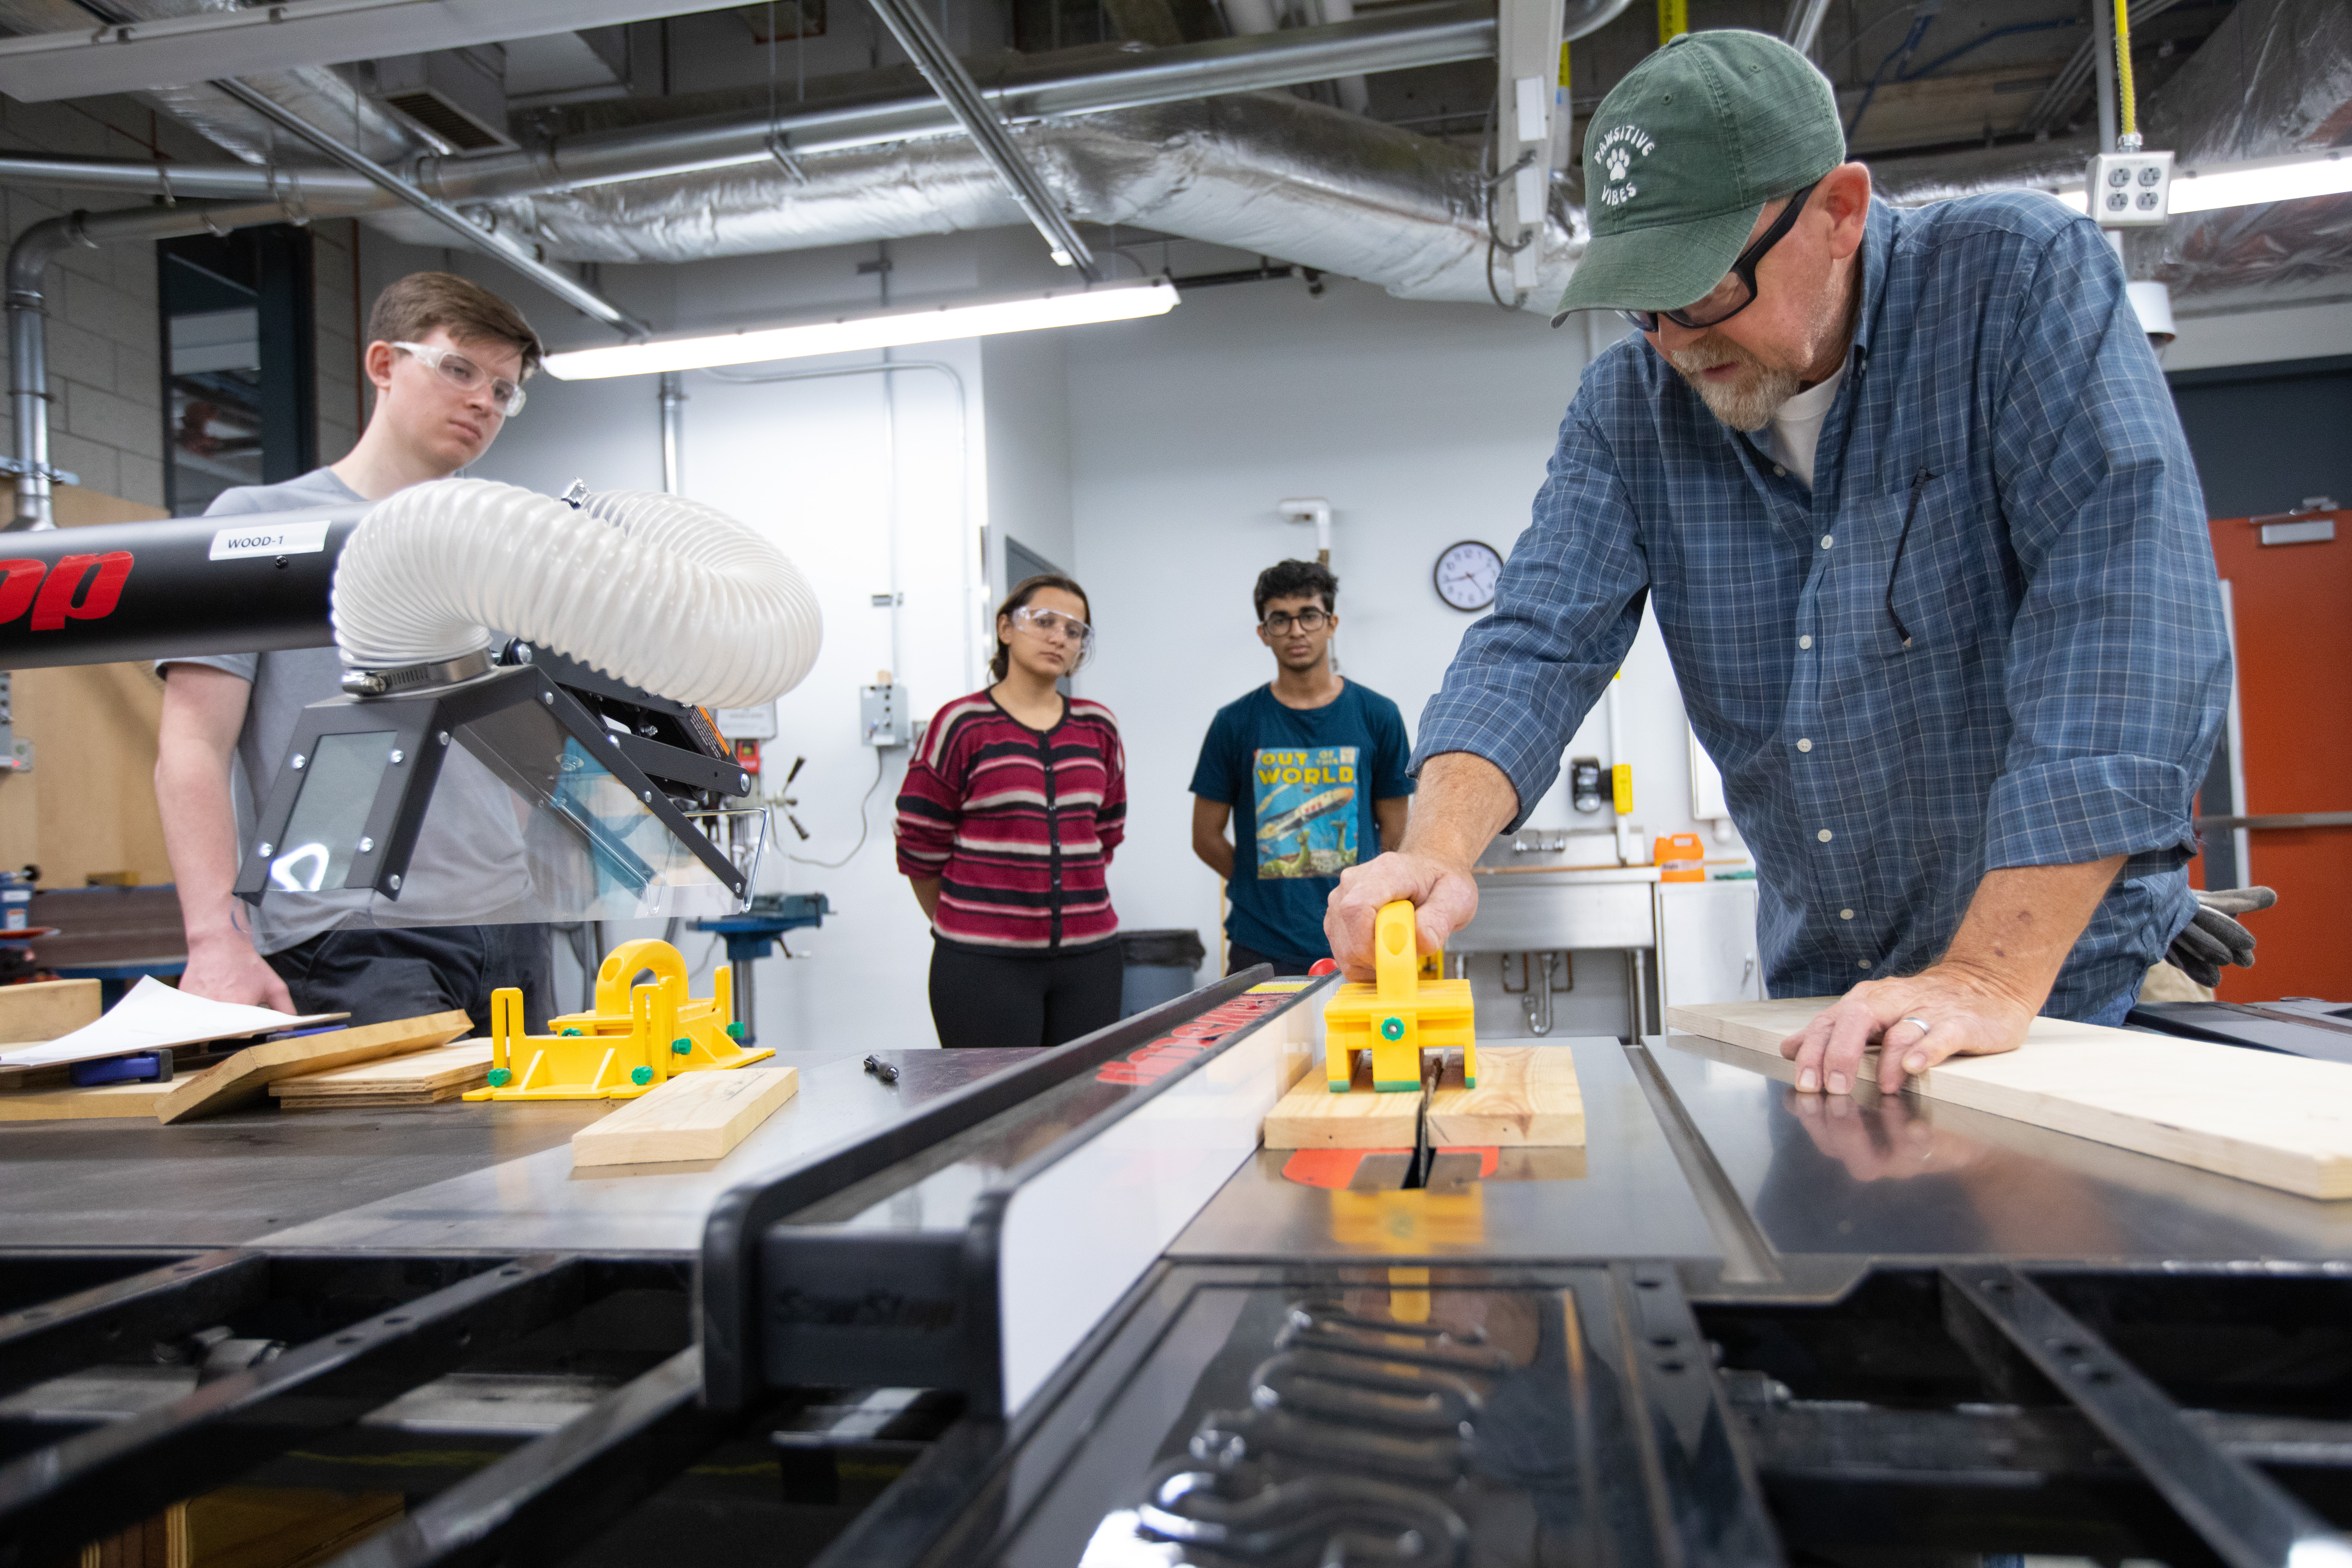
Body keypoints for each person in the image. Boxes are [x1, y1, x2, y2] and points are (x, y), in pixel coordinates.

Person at [1325, 30, 2233, 1100]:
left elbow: (2123, 627)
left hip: (2069, 990)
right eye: (1640, 303)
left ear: (1837, 213)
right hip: (1829, 1006)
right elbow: (1535, 642)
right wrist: (1437, 848)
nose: (1670, 340)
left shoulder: (2013, 286)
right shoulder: (1629, 412)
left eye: (1702, 291)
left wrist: (1985, 974)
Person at [155, 271, 557, 1032]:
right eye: (459, 368)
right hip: (353, 934)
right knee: (402, 1155)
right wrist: (216, 939)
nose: (483, 401)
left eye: (504, 391)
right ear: (382, 364)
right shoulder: (261, 526)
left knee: (534, 1153)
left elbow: (521, 751)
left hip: (509, 926)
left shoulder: (497, 549)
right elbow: (191, 744)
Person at [895, 574, 1129, 1049]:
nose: (1058, 637)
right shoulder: (961, 725)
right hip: (982, 967)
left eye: (1074, 630)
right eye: (1044, 621)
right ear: (1005, 628)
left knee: (1083, 1108)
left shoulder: (1098, 726)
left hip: (1091, 962)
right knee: (994, 1114)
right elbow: (919, 844)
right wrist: (966, 924)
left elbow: (1104, 834)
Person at [1190, 560, 1413, 976]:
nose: (1296, 631)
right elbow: (1205, 837)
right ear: (1263, 633)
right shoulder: (1233, 723)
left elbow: (1396, 831)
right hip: (1260, 942)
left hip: (1359, 934)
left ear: (1331, 623)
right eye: (1280, 619)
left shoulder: (1379, 715)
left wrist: (1364, 893)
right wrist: (1257, 886)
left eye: (1308, 616)